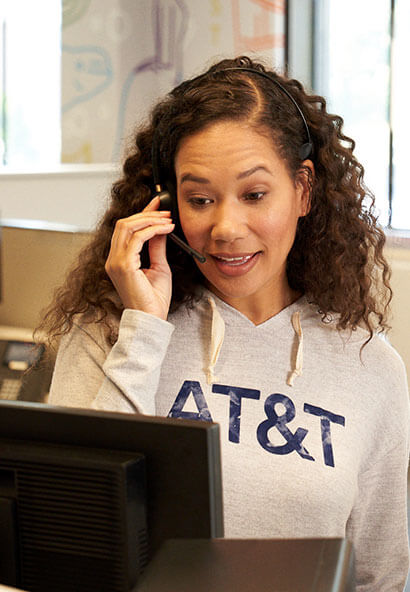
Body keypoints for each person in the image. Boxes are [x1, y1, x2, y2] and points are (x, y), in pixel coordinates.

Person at [40, 56, 409, 590]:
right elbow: (72, 529)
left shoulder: (370, 367)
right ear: (165, 206)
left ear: (303, 190)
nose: (226, 228)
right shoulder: (110, 330)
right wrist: (144, 327)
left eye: (254, 195)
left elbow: (380, 576)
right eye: (199, 200)